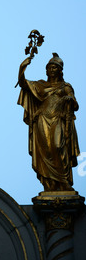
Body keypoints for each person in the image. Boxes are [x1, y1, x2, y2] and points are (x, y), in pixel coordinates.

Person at [17, 53, 80, 192]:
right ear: (46, 70)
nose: (52, 70)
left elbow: (75, 103)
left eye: (54, 67)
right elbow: (23, 83)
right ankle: (49, 184)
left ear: (60, 70)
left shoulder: (65, 86)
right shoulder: (40, 85)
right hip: (42, 119)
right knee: (45, 151)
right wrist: (23, 67)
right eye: (49, 67)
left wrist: (69, 99)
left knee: (58, 147)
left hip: (57, 119)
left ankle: (63, 181)